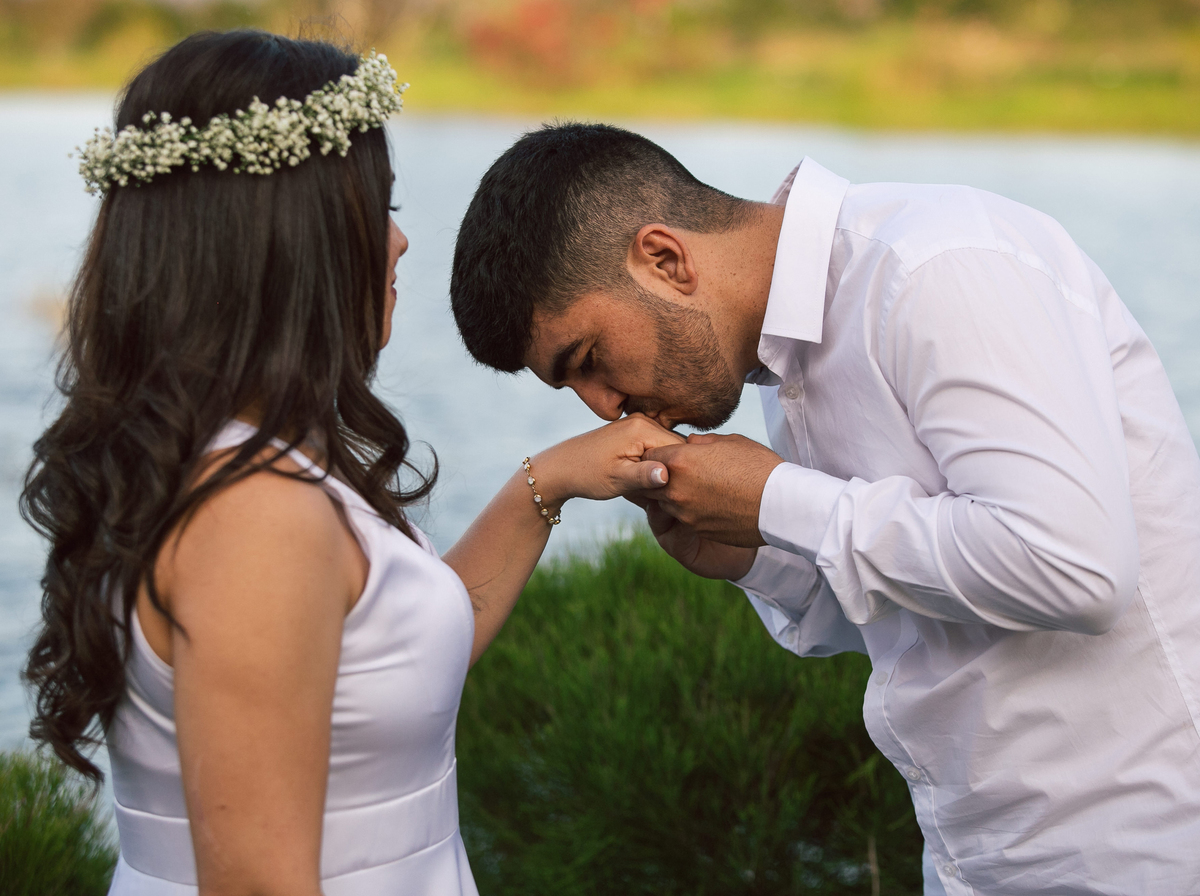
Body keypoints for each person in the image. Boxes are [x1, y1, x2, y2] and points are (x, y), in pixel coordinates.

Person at [449, 123, 1200, 894]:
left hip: (1139, 852)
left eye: (589, 359)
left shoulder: (934, 267)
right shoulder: (788, 352)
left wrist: (779, 498)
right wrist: (753, 553)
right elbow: (923, 608)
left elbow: (1073, 568)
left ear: (665, 260)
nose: (603, 406)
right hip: (978, 863)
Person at [21, 37, 679, 896]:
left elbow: (385, 672)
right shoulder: (256, 516)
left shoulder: (226, 460)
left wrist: (545, 485)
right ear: (288, 243)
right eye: (378, 206)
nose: (400, 241)